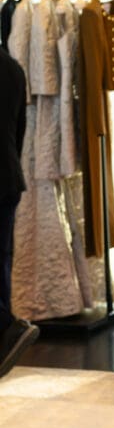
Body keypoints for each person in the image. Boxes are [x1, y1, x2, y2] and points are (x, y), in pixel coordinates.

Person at [0, 44, 39, 377]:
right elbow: (19, 129)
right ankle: (5, 335)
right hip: (8, 178)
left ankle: (7, 328)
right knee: (2, 259)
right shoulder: (12, 68)